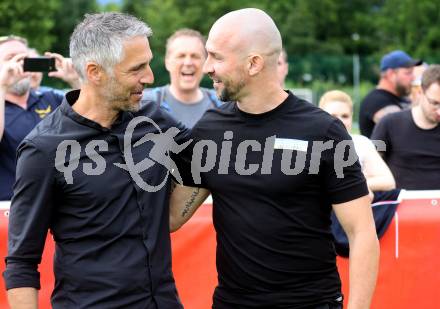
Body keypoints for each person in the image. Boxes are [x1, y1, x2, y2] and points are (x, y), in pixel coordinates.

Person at [170, 8, 379, 309]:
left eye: (216, 57)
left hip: (310, 303)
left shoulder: (324, 131)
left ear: (254, 63)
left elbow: (362, 233)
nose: (206, 67)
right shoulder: (210, 129)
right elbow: (173, 216)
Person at [3, 12, 190, 308]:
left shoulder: (154, 119)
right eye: (136, 68)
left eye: (148, 63)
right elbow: (21, 263)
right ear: (95, 72)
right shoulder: (43, 149)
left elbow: (203, 160)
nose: (150, 77)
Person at [0, 36, 79, 201]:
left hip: (61, 204)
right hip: (11, 209)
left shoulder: (50, 98)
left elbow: (94, 124)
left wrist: (76, 80)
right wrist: (2, 85)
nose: (20, 63)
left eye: (24, 58)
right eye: (11, 58)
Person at [371, 64, 440, 190]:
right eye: (435, 103)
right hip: (400, 204)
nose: (439, 111)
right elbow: (371, 163)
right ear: (420, 93)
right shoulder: (389, 124)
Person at [142, 28, 221, 128]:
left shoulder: (222, 104)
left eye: (195, 56)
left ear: (205, 62)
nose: (188, 62)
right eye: (181, 56)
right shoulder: (145, 102)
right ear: (167, 62)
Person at [319, 90, 395, 192]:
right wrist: (360, 179)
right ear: (320, 117)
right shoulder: (309, 144)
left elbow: (388, 182)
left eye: (345, 116)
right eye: (333, 116)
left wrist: (356, 183)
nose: (340, 121)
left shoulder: (361, 143)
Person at [359, 50, 421, 137]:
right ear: (391, 74)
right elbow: (403, 129)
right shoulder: (375, 100)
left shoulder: (401, 98)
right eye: (408, 73)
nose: (413, 77)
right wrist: (420, 107)